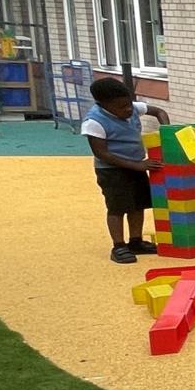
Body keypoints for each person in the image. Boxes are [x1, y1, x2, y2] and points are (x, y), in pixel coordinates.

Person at [81, 77, 170, 264]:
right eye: (121, 107)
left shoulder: (132, 108)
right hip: (112, 171)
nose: (128, 110)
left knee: (138, 204)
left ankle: (135, 241)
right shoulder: (94, 121)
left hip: (137, 165)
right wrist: (139, 165)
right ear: (103, 105)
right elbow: (102, 153)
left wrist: (167, 131)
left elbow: (159, 111)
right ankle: (119, 246)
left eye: (129, 104)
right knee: (117, 207)